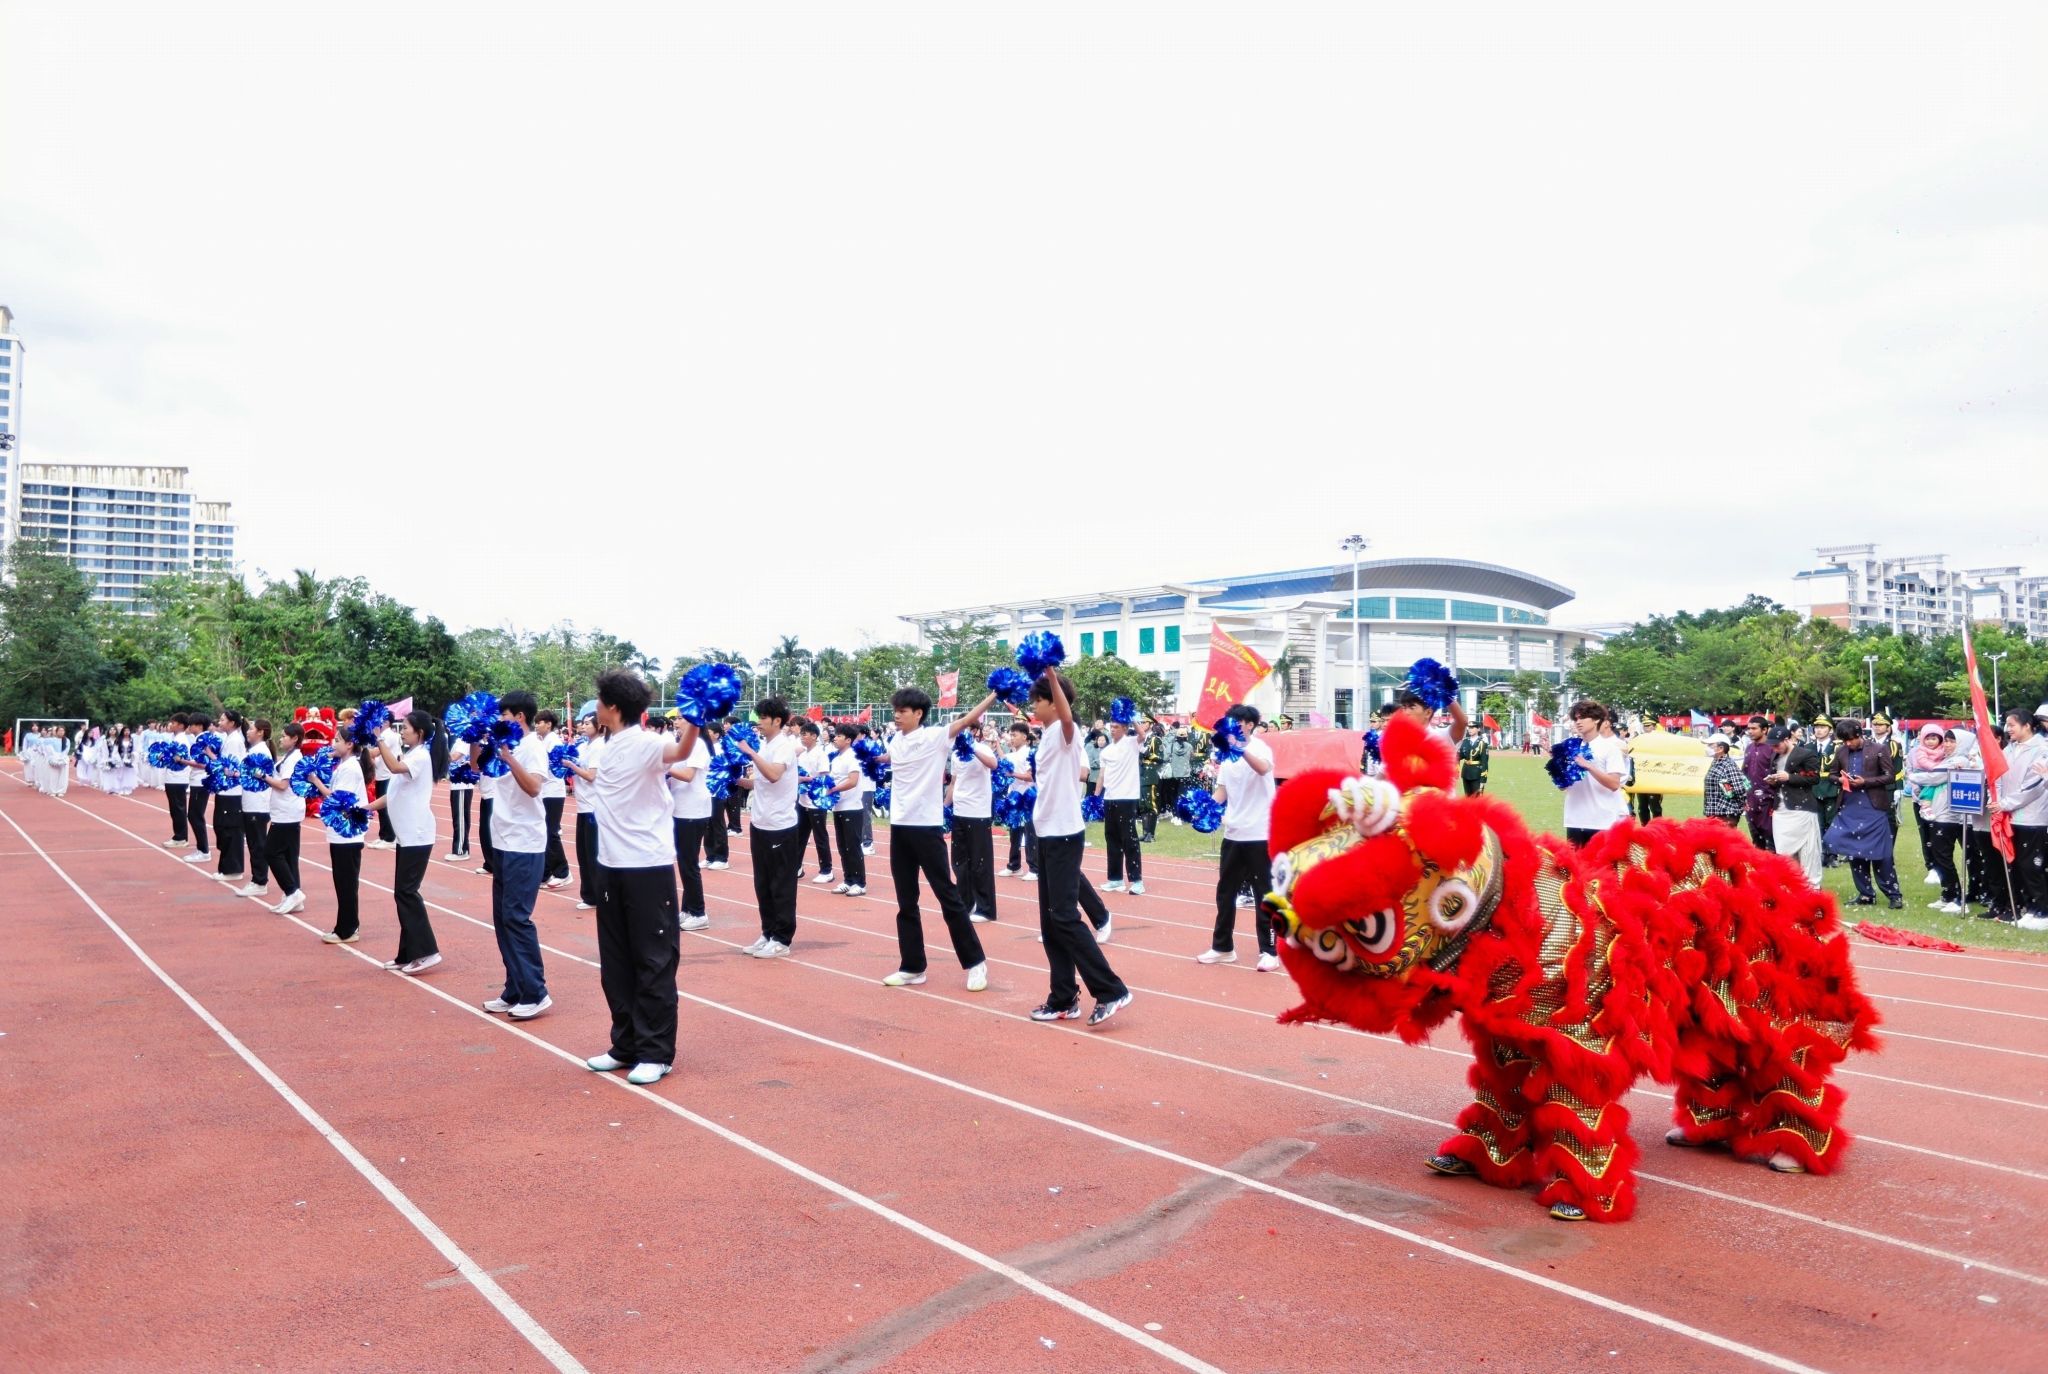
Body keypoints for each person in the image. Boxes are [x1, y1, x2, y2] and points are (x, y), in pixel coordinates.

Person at [582, 668, 702, 1087]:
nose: (595, 709)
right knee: (615, 962)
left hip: (647, 867)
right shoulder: (606, 745)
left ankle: (655, 1052)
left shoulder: (647, 742)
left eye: (599, 702)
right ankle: (625, 1044)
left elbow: (680, 751)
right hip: (610, 865)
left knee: (653, 961)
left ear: (613, 707)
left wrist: (697, 717)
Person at [1025, 669, 1130, 1026]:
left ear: (1055, 703)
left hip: (1064, 835)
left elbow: (1067, 716)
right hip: (1047, 833)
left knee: (1065, 918)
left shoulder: (1066, 731)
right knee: (1050, 922)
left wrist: (1051, 673)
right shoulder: (1047, 734)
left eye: (1038, 700)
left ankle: (1111, 990)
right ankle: (1063, 998)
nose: (1033, 706)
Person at [873, 686, 993, 991]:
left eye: (902, 711)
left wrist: (995, 695)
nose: (896, 716)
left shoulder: (935, 736)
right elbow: (890, 758)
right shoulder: (896, 740)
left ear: (918, 714)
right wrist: (873, 759)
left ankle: (975, 963)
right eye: (895, 711)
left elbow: (966, 720)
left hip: (926, 828)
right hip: (900, 827)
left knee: (948, 897)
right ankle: (912, 966)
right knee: (906, 901)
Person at [478, 692, 553, 1019]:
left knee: (516, 917)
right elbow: (475, 766)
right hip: (503, 841)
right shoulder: (505, 744)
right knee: (502, 918)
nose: (499, 720)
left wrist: (510, 759)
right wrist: (475, 738)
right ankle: (515, 988)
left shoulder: (532, 746)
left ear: (519, 716)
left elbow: (534, 787)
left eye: (503, 715)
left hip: (525, 843)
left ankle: (536, 992)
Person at [1202, 704, 1280, 971]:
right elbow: (1222, 791)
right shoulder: (1226, 757)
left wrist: (1240, 749)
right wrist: (1205, 809)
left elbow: (1263, 768)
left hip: (1260, 832)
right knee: (1225, 892)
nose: (1233, 727)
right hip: (1234, 831)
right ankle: (1223, 947)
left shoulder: (1260, 748)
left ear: (1249, 725)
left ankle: (1269, 950)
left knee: (1264, 893)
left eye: (1238, 722)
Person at [367, 710, 442, 973]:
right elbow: (393, 794)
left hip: (417, 834)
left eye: (406, 728)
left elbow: (394, 768)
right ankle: (407, 953)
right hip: (407, 835)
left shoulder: (420, 756)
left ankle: (428, 952)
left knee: (406, 892)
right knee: (402, 893)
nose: (403, 732)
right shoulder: (411, 755)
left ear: (419, 732)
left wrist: (379, 740)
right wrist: (366, 808)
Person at [730, 696, 802, 958]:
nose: (758, 723)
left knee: (781, 884)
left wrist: (749, 752)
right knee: (763, 883)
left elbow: (773, 775)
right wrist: (734, 779)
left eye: (762, 718)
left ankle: (782, 938)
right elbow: (760, 781)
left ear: (777, 720)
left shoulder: (783, 746)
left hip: (780, 826)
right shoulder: (765, 744)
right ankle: (768, 932)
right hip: (760, 823)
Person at [1822, 718, 1903, 911]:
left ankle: (1894, 895)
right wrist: (1840, 780)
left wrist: (1865, 781)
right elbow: (1831, 774)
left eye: (1851, 739)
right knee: (1854, 851)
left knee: (1881, 853)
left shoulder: (1879, 749)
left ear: (1859, 734)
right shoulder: (1841, 751)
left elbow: (1889, 776)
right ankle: (1865, 894)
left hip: (1873, 806)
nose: (1848, 743)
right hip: (1849, 806)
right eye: (1844, 741)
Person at [1992, 706, 2048, 927]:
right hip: (2010, 817)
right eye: (2006, 724)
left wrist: (2004, 804)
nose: (2008, 729)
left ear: (2027, 726)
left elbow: (2033, 786)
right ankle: (2028, 908)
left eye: (2012, 725)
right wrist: (1996, 800)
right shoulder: (2009, 749)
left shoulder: (2041, 749)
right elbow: (1997, 777)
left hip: (2033, 817)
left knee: (2032, 866)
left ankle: (2042, 911)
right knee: (2016, 865)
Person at [313, 730, 367, 944]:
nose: (333, 744)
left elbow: (338, 799)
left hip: (348, 835)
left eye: (337, 740)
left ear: (350, 744)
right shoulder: (344, 766)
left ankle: (347, 929)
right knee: (343, 883)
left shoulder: (350, 768)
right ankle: (347, 925)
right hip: (341, 833)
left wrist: (315, 780)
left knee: (346, 884)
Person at [1906, 727, 1966, 915]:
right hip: (1939, 813)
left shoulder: (1960, 760)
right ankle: (1948, 894)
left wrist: (1912, 776)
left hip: (1949, 815)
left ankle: (1957, 898)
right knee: (1938, 855)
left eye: (1951, 741)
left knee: (1943, 856)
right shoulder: (1948, 760)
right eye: (1946, 741)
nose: (1947, 745)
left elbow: (1934, 777)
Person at [948, 719, 1001, 923]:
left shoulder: (982, 748)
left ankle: (986, 908)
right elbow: (954, 783)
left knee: (980, 862)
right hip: (959, 811)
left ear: (973, 731)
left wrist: (972, 748)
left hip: (978, 812)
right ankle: (966, 902)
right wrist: (945, 806)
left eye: (964, 729)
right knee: (959, 862)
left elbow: (993, 764)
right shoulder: (955, 754)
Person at [666, 718, 713, 932]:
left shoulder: (697, 744)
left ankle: (699, 912)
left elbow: (687, 775)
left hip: (693, 809)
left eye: (680, 718)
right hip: (681, 809)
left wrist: (663, 766)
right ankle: (687, 908)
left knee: (689, 864)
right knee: (685, 862)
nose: (676, 722)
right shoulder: (682, 745)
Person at [1560, 700, 1628, 846]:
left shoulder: (1610, 748)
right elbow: (1563, 786)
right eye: (1576, 719)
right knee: (1576, 860)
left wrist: (1589, 767)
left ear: (1596, 719)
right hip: (1575, 819)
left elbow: (1614, 784)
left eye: (1583, 717)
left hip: (1603, 820)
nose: (1578, 722)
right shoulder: (1571, 748)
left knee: (1601, 861)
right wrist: (1559, 768)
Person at [1766, 725, 1823, 885]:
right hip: (1781, 810)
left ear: (1787, 739)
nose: (1774, 749)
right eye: (1772, 746)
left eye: (1777, 745)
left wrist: (1790, 777)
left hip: (1802, 809)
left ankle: (1812, 887)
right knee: (1784, 853)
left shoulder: (1805, 754)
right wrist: (1773, 781)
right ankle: (1792, 885)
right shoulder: (1775, 756)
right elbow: (1779, 780)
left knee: (1808, 852)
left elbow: (1814, 778)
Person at [1095, 711, 1144, 895]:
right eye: (1111, 727)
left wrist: (1131, 718)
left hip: (1127, 797)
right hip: (1110, 798)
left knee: (1129, 839)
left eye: (1116, 727)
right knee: (1112, 839)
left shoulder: (1131, 743)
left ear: (1124, 728)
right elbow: (1101, 775)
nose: (1113, 730)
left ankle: (1137, 880)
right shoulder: (1106, 751)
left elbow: (1142, 735)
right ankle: (1115, 879)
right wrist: (1096, 796)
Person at [567, 711, 609, 910]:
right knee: (583, 853)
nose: (583, 726)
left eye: (587, 723)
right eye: (582, 723)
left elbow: (591, 776)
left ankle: (598, 896)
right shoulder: (583, 746)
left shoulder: (600, 746)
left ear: (599, 726)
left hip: (594, 807)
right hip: (583, 806)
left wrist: (571, 766)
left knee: (593, 854)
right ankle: (589, 895)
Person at [232, 719, 275, 900]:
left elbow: (258, 776)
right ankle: (257, 879)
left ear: (260, 732)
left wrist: (238, 773)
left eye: (251, 729)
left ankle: (260, 881)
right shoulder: (254, 750)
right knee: (253, 842)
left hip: (258, 805)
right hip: (250, 803)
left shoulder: (261, 752)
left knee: (257, 844)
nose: (248, 732)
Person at [827, 723, 869, 897]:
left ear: (848, 740)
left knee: (853, 846)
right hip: (838, 807)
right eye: (835, 735)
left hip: (852, 807)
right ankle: (848, 879)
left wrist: (832, 790)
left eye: (839, 736)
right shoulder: (837, 758)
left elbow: (852, 781)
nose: (835, 738)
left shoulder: (853, 757)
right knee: (842, 846)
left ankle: (860, 882)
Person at [534, 708, 573, 889]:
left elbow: (553, 768)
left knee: (551, 832)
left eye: (539, 722)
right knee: (544, 832)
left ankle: (563, 872)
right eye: (535, 722)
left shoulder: (554, 741)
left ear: (548, 724)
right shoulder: (543, 741)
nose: (536, 725)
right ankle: (545, 874)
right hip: (545, 792)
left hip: (553, 793)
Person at [794, 719, 836, 888]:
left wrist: (804, 779)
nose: (802, 737)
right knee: (799, 836)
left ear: (814, 736)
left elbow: (824, 778)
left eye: (805, 734)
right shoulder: (802, 754)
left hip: (816, 801)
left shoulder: (820, 754)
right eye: (801, 734)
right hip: (802, 800)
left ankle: (826, 870)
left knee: (820, 837)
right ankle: (797, 867)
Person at [1001, 722, 1039, 879]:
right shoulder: (1012, 754)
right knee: (1014, 832)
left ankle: (1034, 868)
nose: (1011, 738)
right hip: (1014, 795)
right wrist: (996, 744)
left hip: (1028, 795)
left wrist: (1013, 774)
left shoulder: (1030, 753)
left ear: (1024, 737)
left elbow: (1031, 776)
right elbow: (1003, 761)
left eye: (1014, 735)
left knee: (1030, 832)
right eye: (1010, 735)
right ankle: (1014, 865)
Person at [1740, 716, 1778, 853]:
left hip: (1769, 799)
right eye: (1749, 728)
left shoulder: (1773, 748)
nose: (1750, 731)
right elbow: (1744, 773)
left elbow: (1778, 773)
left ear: (1765, 730)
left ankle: (1774, 863)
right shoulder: (1749, 748)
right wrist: (1745, 794)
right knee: (1756, 838)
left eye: (1754, 728)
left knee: (1771, 837)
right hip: (1751, 799)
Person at [178, 715, 212, 865]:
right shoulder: (200, 739)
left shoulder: (203, 740)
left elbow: (204, 764)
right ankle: (202, 849)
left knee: (195, 815)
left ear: (199, 726)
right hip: (197, 780)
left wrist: (182, 761)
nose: (189, 727)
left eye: (191, 724)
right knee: (194, 815)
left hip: (201, 781)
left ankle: (204, 851)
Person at [1810, 717, 1842, 866]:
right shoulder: (1808, 746)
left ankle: (1832, 854)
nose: (1819, 730)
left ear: (1830, 730)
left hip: (1832, 788)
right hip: (1814, 789)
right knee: (1818, 823)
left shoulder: (1838, 747)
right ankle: (1821, 853)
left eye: (1823, 727)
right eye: (1817, 727)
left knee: (1832, 822)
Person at [1870, 713, 1907, 839]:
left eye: (1881, 724)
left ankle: (1889, 847)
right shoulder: (1867, 743)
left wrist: (1898, 788)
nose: (1877, 727)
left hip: (1889, 787)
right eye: (1875, 724)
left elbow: (1898, 768)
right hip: (1871, 786)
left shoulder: (1894, 745)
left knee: (1889, 818)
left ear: (1888, 727)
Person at [159, 712, 192, 847]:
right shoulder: (175, 738)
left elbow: (179, 758)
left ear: (181, 725)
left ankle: (181, 838)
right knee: (175, 809)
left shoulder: (181, 740)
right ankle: (179, 836)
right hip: (172, 777)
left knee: (178, 809)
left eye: (173, 723)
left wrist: (164, 757)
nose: (170, 725)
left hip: (178, 778)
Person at [1701, 735, 1747, 824]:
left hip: (1725, 814)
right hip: (1715, 813)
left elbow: (1740, 788)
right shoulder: (1716, 763)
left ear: (1721, 748)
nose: (1707, 748)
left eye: (1710, 745)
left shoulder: (1728, 765)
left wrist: (1741, 804)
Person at [447, 732, 476, 861]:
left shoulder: (464, 740)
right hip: (457, 784)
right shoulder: (459, 740)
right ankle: (462, 848)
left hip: (462, 784)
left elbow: (455, 757)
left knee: (460, 818)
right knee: (459, 817)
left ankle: (461, 850)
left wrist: (438, 753)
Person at [1159, 721, 1192, 825]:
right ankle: (1182, 815)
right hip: (1185, 774)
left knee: (1173, 795)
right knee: (1183, 795)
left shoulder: (1171, 746)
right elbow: (1191, 757)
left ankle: (1175, 815)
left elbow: (1165, 758)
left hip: (1174, 774)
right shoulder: (1189, 746)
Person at [1137, 718, 1162, 842]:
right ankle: (1145, 832)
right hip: (1142, 773)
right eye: (1141, 722)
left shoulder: (1155, 739)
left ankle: (1151, 834)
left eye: (1144, 722)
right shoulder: (1142, 738)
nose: (1142, 724)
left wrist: (1145, 752)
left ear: (1151, 724)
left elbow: (1160, 757)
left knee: (1151, 805)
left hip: (1150, 774)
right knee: (1143, 805)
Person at [1457, 722, 1490, 797]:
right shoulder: (1465, 741)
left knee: (1477, 799)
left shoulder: (1482, 743)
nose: (1470, 729)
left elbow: (1484, 763)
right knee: (1468, 798)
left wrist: (1483, 780)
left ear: (1478, 729)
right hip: (1466, 773)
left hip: (1477, 774)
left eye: (1472, 728)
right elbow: (1460, 756)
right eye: (1469, 728)